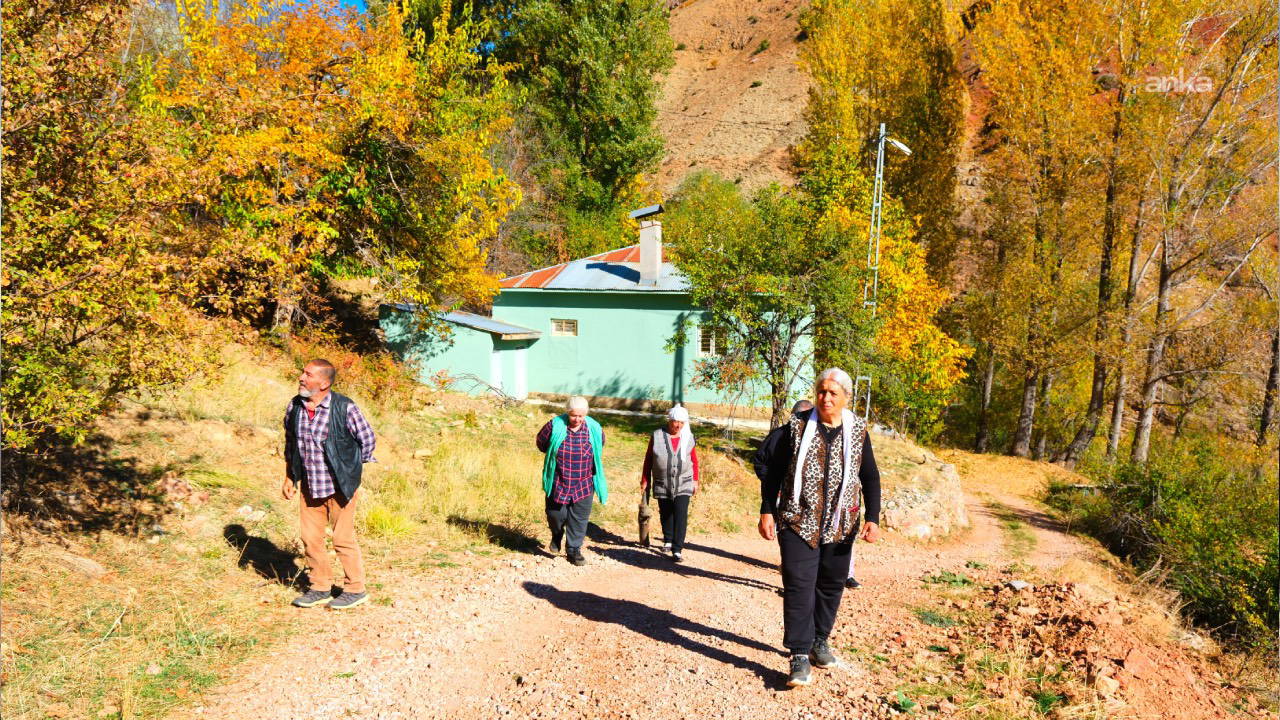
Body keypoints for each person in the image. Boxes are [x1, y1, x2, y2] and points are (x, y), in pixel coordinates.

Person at [753, 368, 881, 687]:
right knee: (799, 583)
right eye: (821, 391)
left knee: (831, 584)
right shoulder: (796, 427)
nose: (825, 398)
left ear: (846, 398)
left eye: (833, 393)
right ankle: (798, 654)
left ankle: (819, 641)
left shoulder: (859, 432)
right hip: (798, 519)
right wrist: (767, 510)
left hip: (841, 523)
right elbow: (772, 471)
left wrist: (873, 517)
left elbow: (870, 477)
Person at [282, 359, 377, 610]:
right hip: (311, 484)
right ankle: (319, 587)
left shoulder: (344, 407)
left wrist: (350, 468)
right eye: (303, 372)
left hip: (341, 486)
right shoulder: (295, 407)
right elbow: (291, 443)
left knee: (342, 538)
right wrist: (290, 476)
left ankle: (355, 589)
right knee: (310, 538)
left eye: (308, 374)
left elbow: (367, 440)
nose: (302, 377)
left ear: (324, 382)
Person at [536, 396, 608, 566]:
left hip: (583, 482)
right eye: (574, 415)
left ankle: (573, 550)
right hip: (558, 480)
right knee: (555, 515)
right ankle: (556, 533)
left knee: (579, 518)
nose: (577, 419)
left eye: (581, 416)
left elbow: (600, 444)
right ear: (568, 412)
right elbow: (541, 443)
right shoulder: (554, 425)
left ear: (586, 415)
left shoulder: (594, 427)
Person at [640, 405, 700, 562]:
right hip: (662, 480)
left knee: (680, 513)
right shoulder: (657, 435)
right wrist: (645, 479)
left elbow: (694, 460)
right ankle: (667, 539)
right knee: (666, 511)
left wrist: (695, 480)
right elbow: (649, 459)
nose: (678, 426)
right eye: (675, 422)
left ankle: (677, 548)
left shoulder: (688, 437)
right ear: (669, 420)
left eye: (681, 422)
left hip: (684, 481)